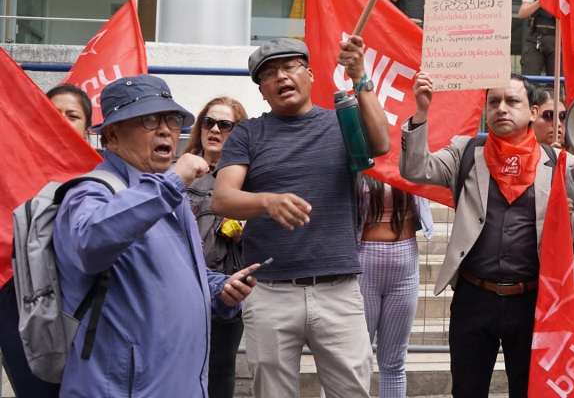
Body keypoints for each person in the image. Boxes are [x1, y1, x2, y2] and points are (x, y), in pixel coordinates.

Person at [53, 75, 257, 397]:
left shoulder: (165, 192)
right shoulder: (93, 190)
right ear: (112, 135)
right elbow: (88, 243)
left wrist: (219, 289)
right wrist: (172, 182)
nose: (165, 130)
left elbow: (175, 273)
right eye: (148, 120)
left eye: (171, 119)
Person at [212, 37, 391, 398]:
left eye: (290, 66)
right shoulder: (248, 133)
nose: (281, 77)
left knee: (352, 392)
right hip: (269, 292)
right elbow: (222, 198)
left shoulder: (342, 122)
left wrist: (359, 76)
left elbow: (381, 143)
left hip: (339, 289)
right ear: (262, 91)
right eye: (269, 74)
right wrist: (267, 202)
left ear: (309, 74)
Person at [400, 72, 574, 398]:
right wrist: (422, 112)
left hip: (531, 301)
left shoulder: (557, 163)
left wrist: (568, 219)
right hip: (474, 297)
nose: (501, 109)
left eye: (512, 101)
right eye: (494, 102)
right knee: (467, 390)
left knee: (528, 391)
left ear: (533, 112)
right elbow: (415, 169)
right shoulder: (466, 152)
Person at [0, 84, 90, 398]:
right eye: (52, 115)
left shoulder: (102, 177)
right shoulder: (10, 169)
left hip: (81, 309)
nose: (61, 122)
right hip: (20, 301)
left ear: (88, 128)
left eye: (72, 116)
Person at [182, 96, 249, 398]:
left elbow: (268, 239)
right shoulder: (179, 172)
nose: (214, 130)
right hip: (181, 284)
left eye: (225, 125)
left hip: (225, 288)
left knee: (220, 368)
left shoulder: (249, 179)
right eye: (208, 122)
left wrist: (246, 228)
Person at [530, 87, 574, 338]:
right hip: (538, 268)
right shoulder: (522, 162)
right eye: (548, 116)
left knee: (573, 349)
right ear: (531, 116)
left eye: (562, 117)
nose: (557, 124)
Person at [355, 175, 432, 398]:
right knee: (353, 359)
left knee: (394, 362)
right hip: (364, 260)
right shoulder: (356, 159)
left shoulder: (408, 160)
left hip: (405, 259)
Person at [517, 0, 558, 76]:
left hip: (558, 40)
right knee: (529, 76)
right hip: (536, 39)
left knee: (559, 80)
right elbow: (522, 13)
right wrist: (541, 1)